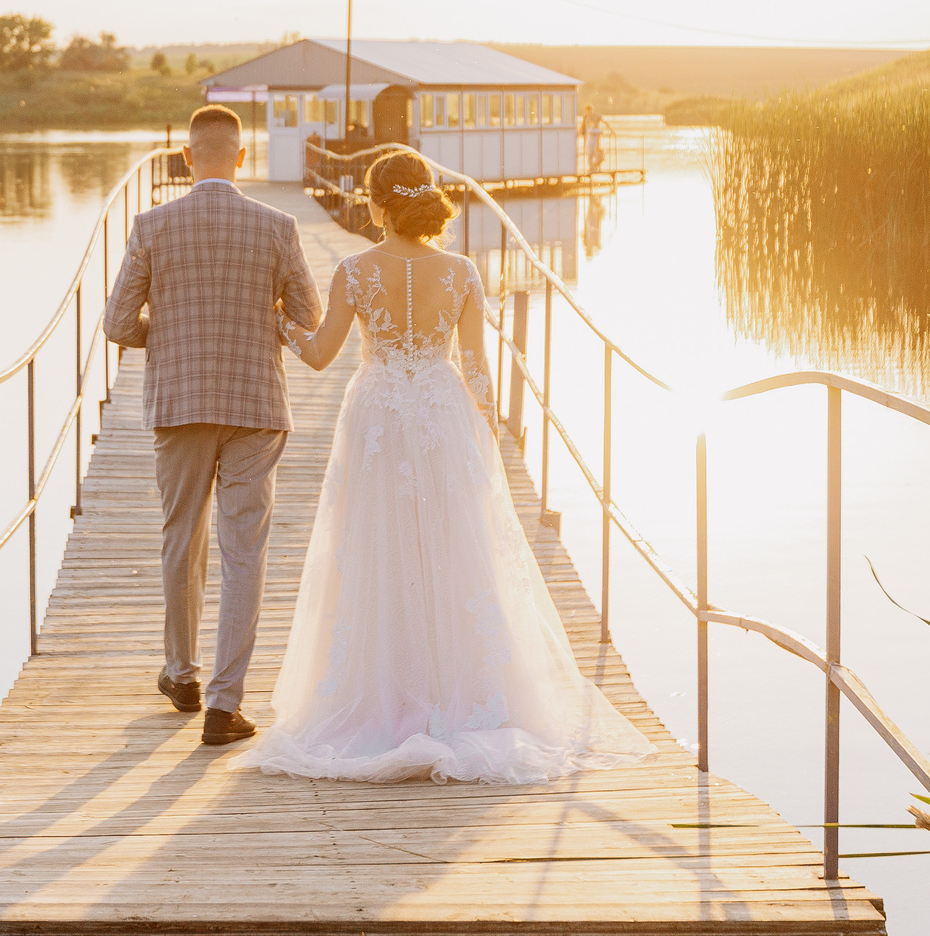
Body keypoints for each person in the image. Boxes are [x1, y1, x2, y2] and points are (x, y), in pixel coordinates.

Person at [248, 148, 653, 782]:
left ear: (377, 205)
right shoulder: (462, 271)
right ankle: (459, 692)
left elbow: (322, 354)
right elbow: (477, 369)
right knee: (454, 543)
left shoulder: (353, 271)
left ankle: (386, 692)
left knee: (378, 544)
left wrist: (279, 322)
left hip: (379, 413)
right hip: (441, 411)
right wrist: (485, 435)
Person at [105, 105, 323, 746]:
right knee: (244, 553)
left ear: (186, 157)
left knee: (182, 540)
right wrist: (262, 318)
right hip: (256, 406)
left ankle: (182, 675)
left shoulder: (151, 225)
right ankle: (225, 707)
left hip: (179, 404)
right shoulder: (278, 225)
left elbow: (117, 324)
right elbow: (308, 316)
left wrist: (168, 334)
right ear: (242, 157)